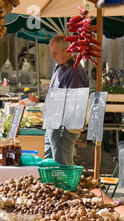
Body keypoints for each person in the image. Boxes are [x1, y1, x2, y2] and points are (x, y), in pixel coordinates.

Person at [44, 34, 89, 165]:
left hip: (63, 127)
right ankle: (52, 185)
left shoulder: (74, 71)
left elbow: (74, 103)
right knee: (51, 161)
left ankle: (64, 186)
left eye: (55, 53)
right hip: (53, 123)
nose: (52, 56)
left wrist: (64, 128)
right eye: (51, 53)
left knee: (61, 163)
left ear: (68, 51)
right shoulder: (60, 66)